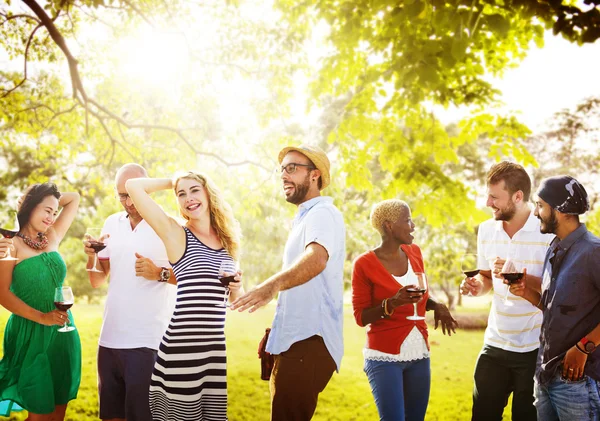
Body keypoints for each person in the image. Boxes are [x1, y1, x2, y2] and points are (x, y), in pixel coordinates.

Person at [231, 144, 346, 421]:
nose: (284, 175)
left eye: (292, 168)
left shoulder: (322, 213)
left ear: (315, 175)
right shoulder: (305, 217)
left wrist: (270, 286)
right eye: (282, 169)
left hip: (308, 344)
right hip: (297, 343)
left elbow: (316, 259)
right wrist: (279, 334)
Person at [125, 171, 243, 421]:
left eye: (195, 190)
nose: (189, 198)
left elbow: (233, 299)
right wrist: (174, 180)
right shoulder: (176, 234)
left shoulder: (228, 242)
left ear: (208, 193)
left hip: (213, 351)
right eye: (182, 194)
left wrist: (236, 288)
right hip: (182, 348)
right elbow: (133, 186)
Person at [459, 161, 554, 421]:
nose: (488, 203)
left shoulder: (546, 231)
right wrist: (476, 286)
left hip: (535, 347)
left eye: (494, 197)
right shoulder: (487, 229)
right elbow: (487, 278)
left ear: (518, 196)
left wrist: (518, 272)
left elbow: (557, 286)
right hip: (496, 342)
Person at [83, 163, 177, 421]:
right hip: (109, 339)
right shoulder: (111, 222)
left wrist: (158, 273)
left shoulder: (170, 226)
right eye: (122, 194)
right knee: (111, 417)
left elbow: (190, 277)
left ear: (148, 190)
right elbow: (98, 280)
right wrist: (92, 257)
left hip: (147, 341)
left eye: (132, 193)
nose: (128, 201)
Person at [352, 199, 458, 421]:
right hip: (383, 357)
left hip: (419, 354)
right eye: (407, 220)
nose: (413, 226)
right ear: (389, 226)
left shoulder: (414, 252)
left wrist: (436, 304)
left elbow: (420, 294)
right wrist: (391, 303)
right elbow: (360, 317)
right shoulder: (363, 264)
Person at [509, 175, 600, 420]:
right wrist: (527, 293)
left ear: (561, 210)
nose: (536, 213)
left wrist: (584, 347)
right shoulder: (554, 247)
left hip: (578, 383)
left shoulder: (594, 252)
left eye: (540, 206)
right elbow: (555, 309)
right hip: (545, 376)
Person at [0, 182, 81, 420]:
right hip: (31, 331)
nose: (51, 217)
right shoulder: (8, 244)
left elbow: (74, 197)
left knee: (58, 411)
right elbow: (2, 294)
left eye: (55, 212)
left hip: (64, 331)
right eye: (47, 210)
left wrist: (52, 200)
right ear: (29, 206)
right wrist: (42, 318)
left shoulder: (52, 235)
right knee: (39, 414)